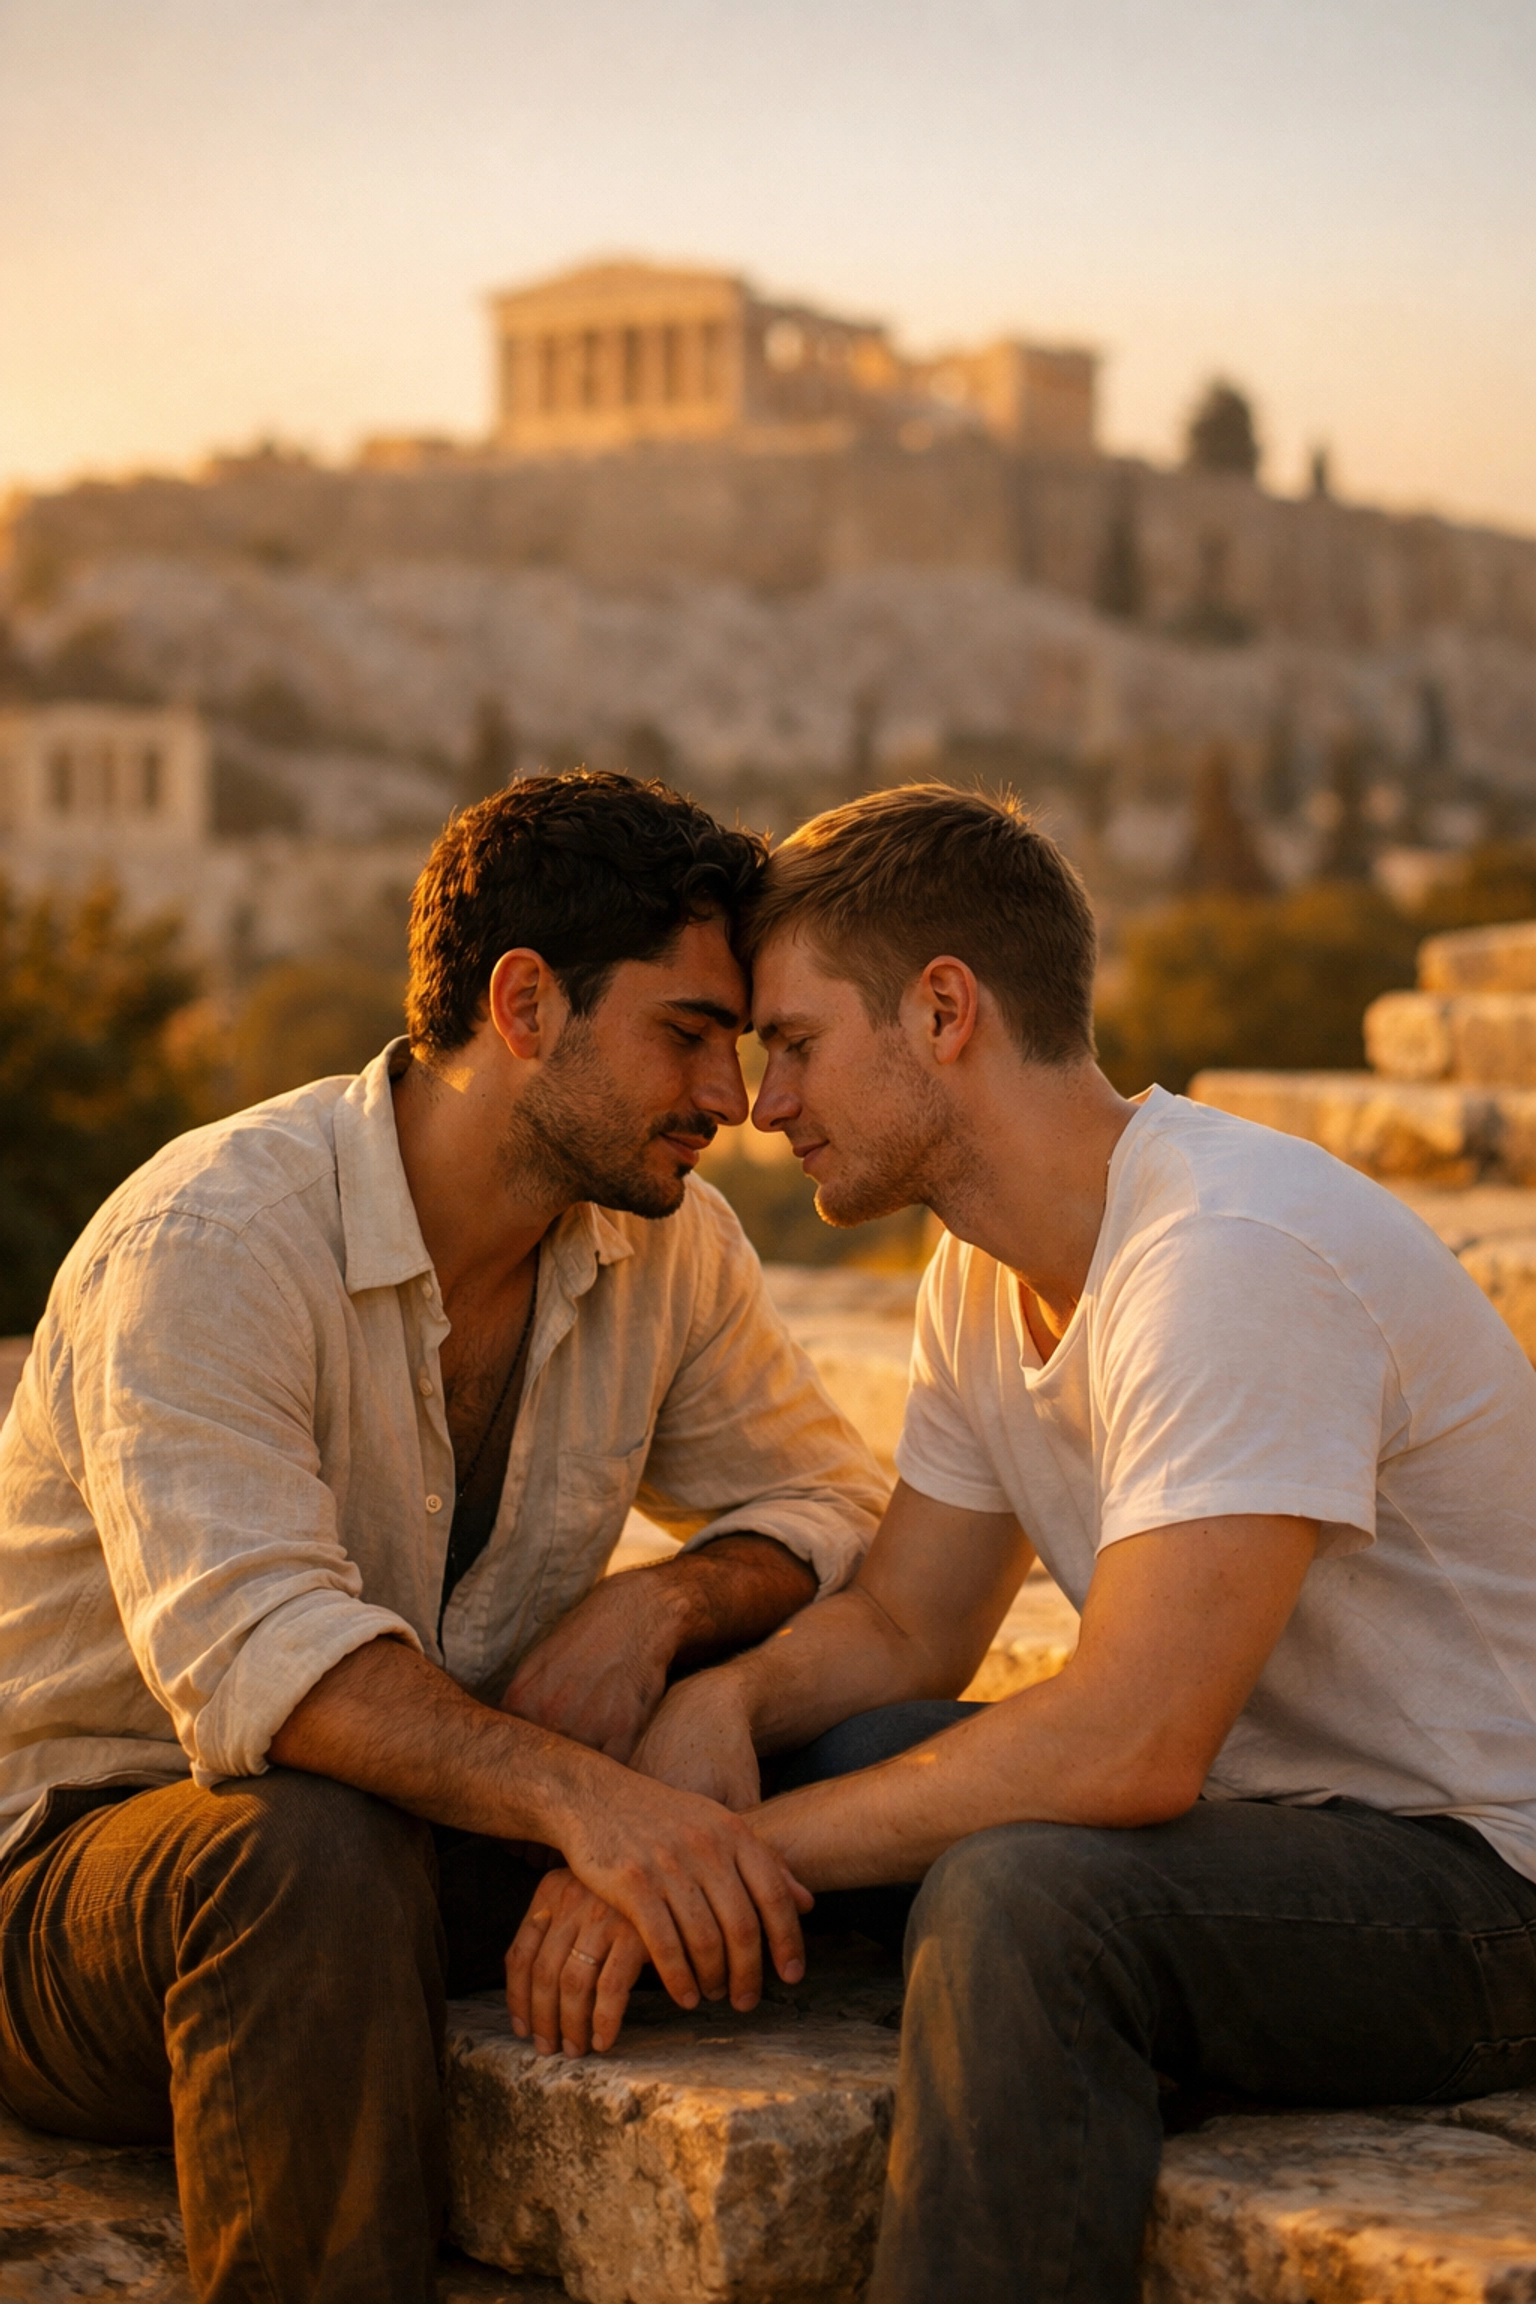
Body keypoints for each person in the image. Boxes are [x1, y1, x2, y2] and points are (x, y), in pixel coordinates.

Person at [511, 782, 1536, 2304]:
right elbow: (912, 1629)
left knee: (1028, 1901)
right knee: (827, 1741)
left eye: (790, 1044)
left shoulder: (1225, 1259)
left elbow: (1129, 1747)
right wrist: (713, 1713)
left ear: (943, 1011)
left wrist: (699, 1860)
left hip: (1479, 1883)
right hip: (1280, 1830)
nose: (758, 1102)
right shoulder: (983, 1276)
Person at [0, 770, 886, 2304]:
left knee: (902, 1753)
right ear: (525, 1005)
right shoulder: (210, 1239)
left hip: (435, 1838)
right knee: (299, 1851)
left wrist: (664, 1616)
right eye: (687, 1033)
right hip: (90, 1885)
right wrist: (589, 1809)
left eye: (739, 1045)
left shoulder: (665, 1246)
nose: (732, 1100)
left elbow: (829, 1507)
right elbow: (267, 1666)